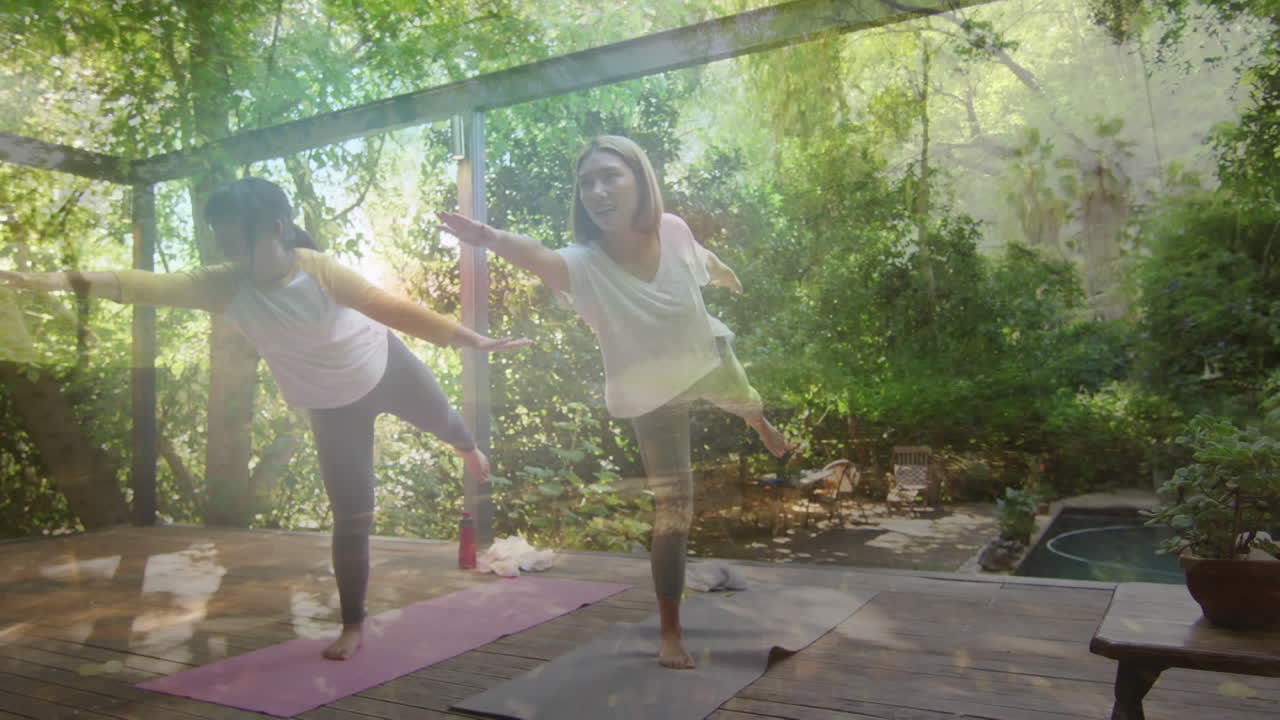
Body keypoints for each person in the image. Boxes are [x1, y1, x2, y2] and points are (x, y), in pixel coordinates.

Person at [0, 176, 530, 661]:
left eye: (237, 243)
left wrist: (475, 340)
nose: (229, 256)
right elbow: (134, 284)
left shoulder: (319, 271)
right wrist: (39, 281)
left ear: (276, 229)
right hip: (329, 404)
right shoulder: (224, 285)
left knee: (450, 426)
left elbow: (396, 310)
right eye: (221, 245)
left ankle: (465, 447)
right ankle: (354, 624)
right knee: (352, 516)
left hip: (386, 366)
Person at [436, 135, 793, 669]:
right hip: (651, 394)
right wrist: (487, 236)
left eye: (610, 177)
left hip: (704, 354)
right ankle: (671, 631)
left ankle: (762, 425)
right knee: (675, 510)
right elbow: (535, 254)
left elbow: (702, 258)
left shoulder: (671, 230)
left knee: (745, 399)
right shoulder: (580, 264)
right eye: (587, 183)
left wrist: (723, 273)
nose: (597, 191)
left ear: (639, 180)